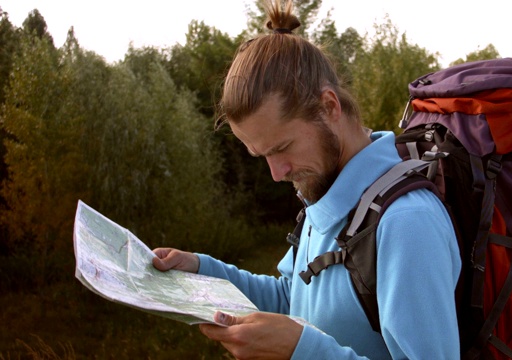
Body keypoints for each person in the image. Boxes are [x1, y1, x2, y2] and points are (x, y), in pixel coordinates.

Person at [152, 0, 461, 358]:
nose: (276, 173)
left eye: (282, 147)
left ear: (329, 107)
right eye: (263, 155)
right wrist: (203, 271)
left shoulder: (406, 223)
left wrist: (302, 350)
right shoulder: (328, 196)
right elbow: (293, 298)